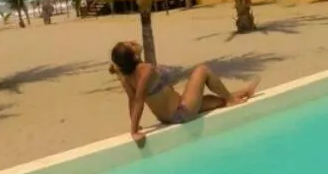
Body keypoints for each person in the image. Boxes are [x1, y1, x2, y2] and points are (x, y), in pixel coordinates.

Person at [109, 41, 258, 145]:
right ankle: (232, 99)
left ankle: (244, 92)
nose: (132, 42)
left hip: (169, 115)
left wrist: (135, 124)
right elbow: (138, 100)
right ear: (134, 57)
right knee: (202, 70)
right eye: (129, 44)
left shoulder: (125, 78)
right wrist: (134, 131)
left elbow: (131, 101)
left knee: (218, 101)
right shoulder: (145, 70)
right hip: (182, 111)